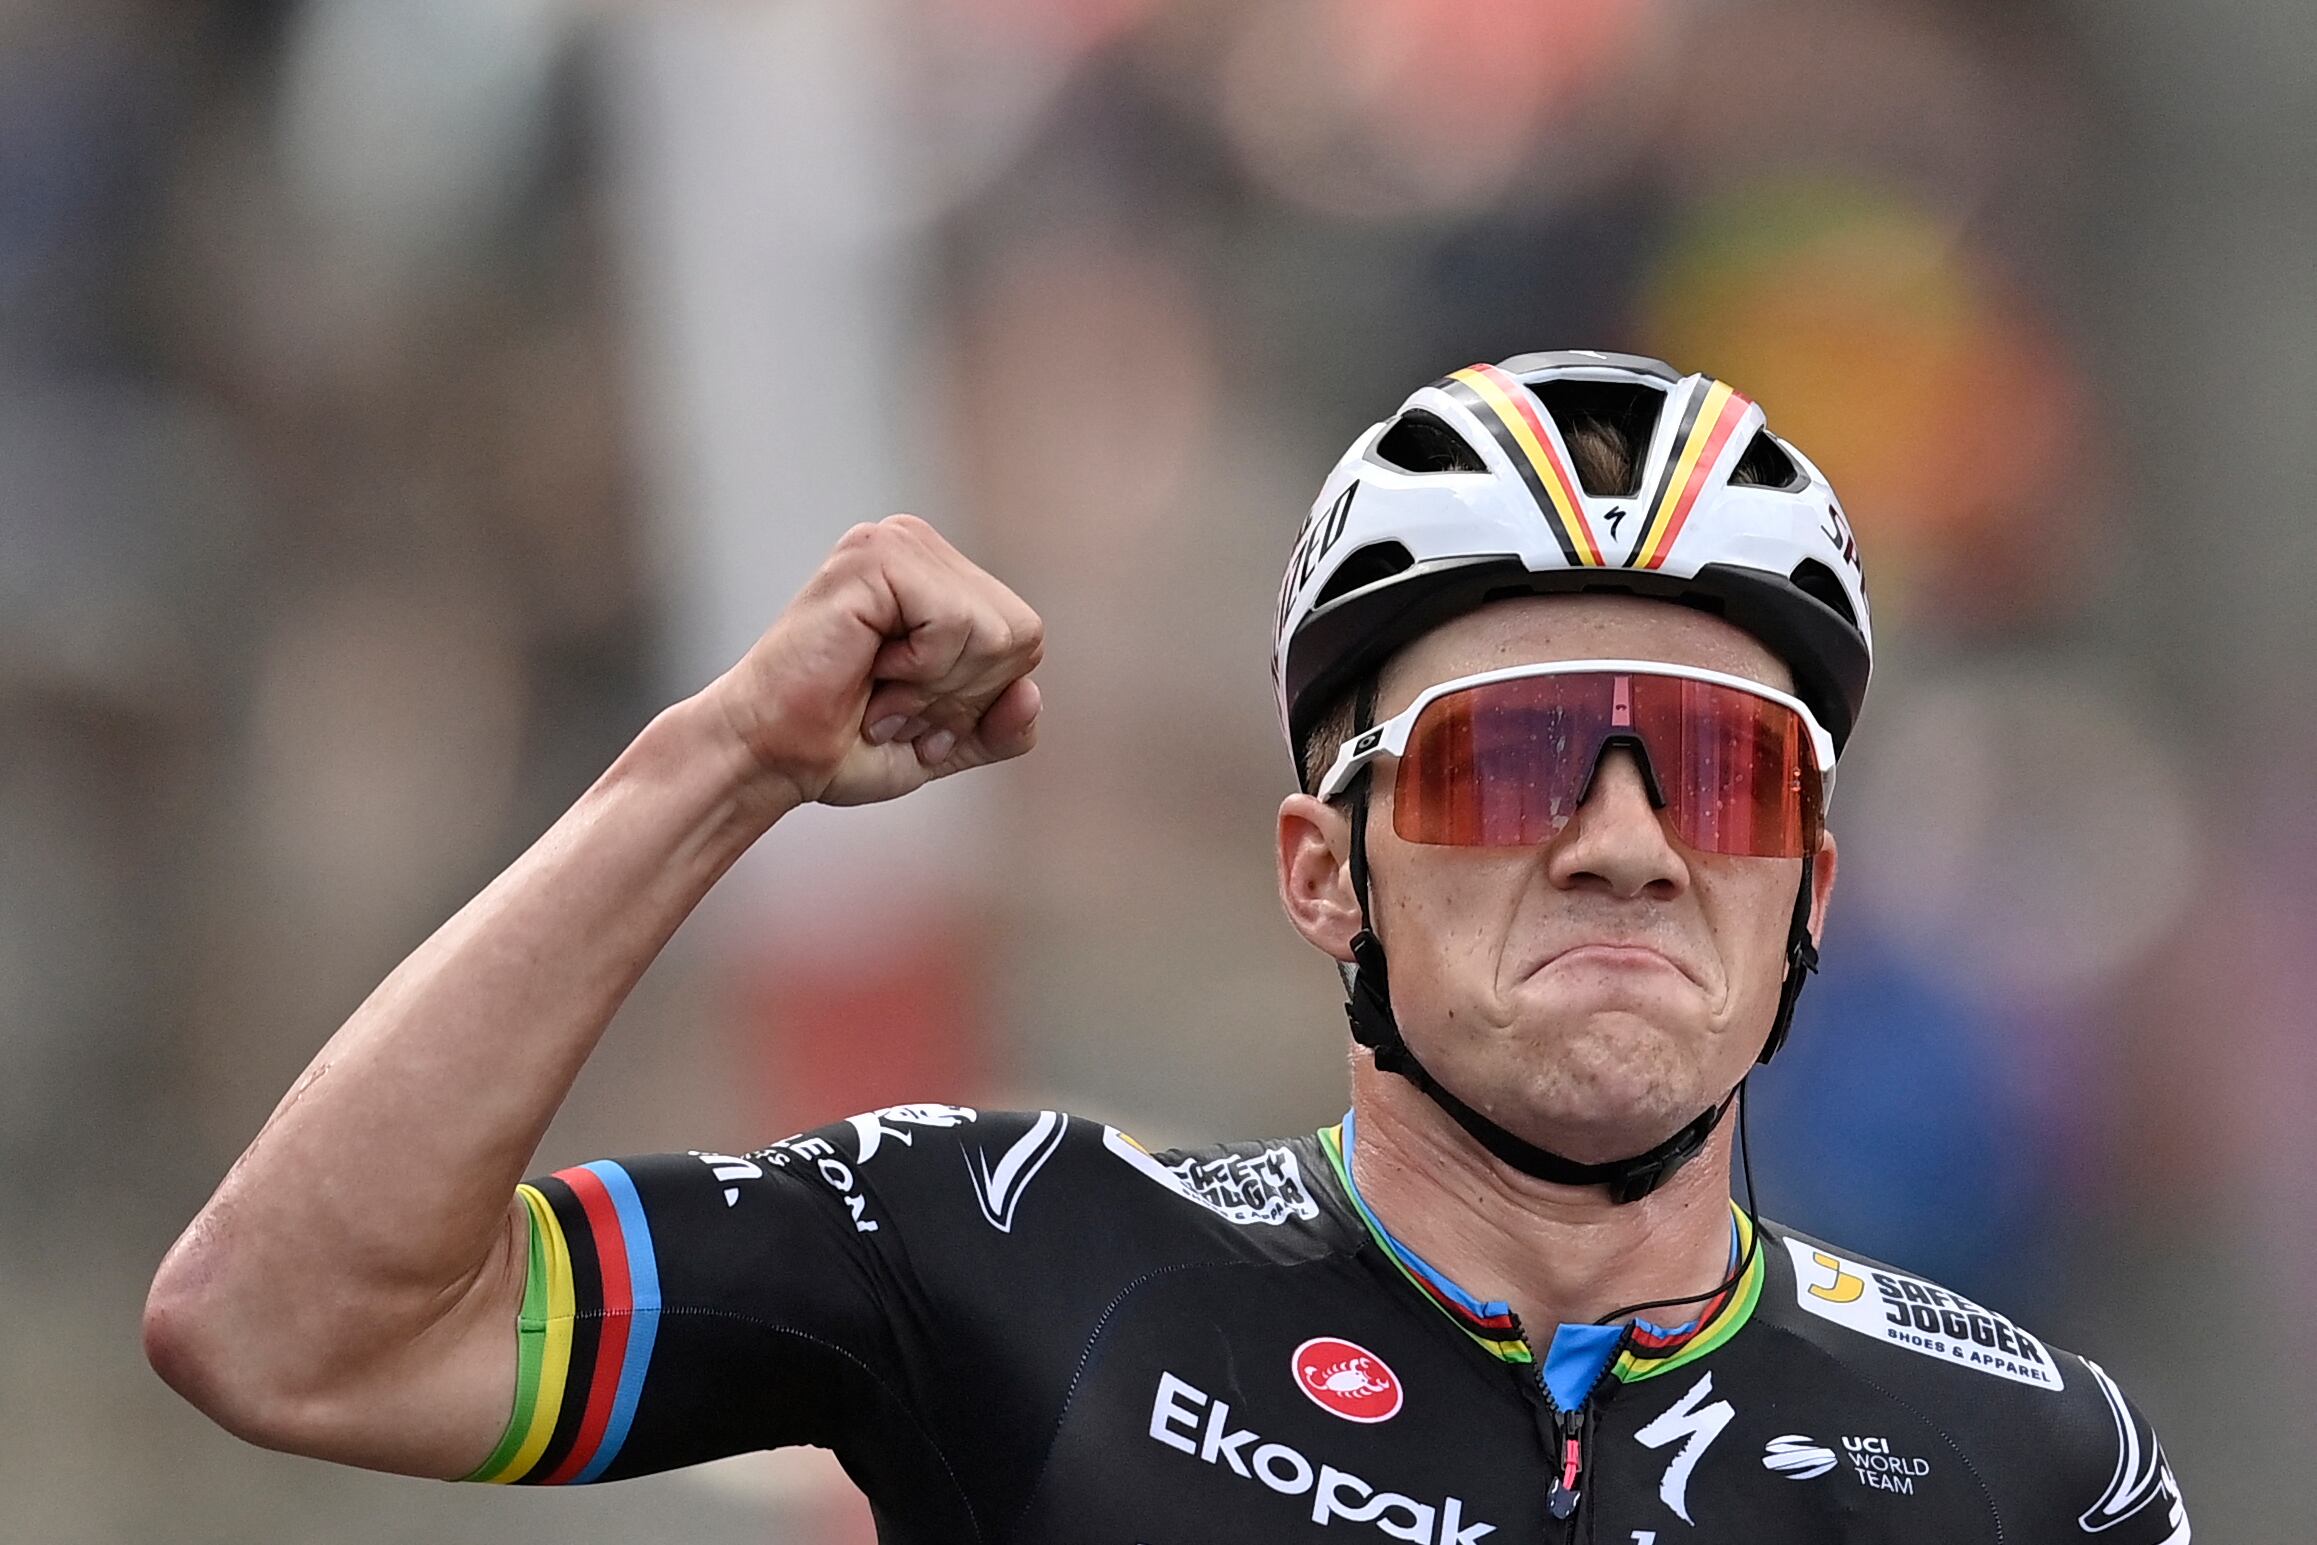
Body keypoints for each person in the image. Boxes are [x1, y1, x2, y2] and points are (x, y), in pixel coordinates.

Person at [145, 352, 2190, 1542]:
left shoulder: (2033, 1455)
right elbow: (285, 1324)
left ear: (1810, 890)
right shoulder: (1001, 1250)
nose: (1629, 845)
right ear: (1325, 871)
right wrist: (715, 766)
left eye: (1729, 780)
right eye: (1516, 762)